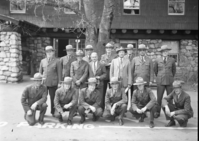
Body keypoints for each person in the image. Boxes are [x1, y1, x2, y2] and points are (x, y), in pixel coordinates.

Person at [154, 45, 176, 117]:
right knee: (159, 97)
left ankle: (170, 112)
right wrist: (160, 76)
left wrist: (170, 76)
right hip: (160, 81)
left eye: (166, 51)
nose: (165, 53)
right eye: (164, 51)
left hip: (169, 81)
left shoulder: (172, 60)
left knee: (170, 98)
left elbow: (173, 70)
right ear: (161, 52)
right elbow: (155, 70)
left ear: (168, 52)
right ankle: (157, 112)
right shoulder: (157, 60)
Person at [39, 46, 62, 116]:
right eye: (47, 52)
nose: (49, 53)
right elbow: (40, 72)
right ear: (45, 53)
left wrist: (59, 83)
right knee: (43, 98)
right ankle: (42, 112)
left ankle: (53, 112)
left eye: (50, 51)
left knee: (53, 98)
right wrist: (42, 76)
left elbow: (59, 73)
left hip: (53, 83)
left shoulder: (57, 61)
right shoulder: (42, 61)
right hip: (45, 83)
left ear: (53, 52)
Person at [110, 46, 132, 110]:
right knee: (115, 94)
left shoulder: (127, 61)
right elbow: (111, 72)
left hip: (124, 82)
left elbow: (129, 73)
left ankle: (123, 109)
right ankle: (114, 108)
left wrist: (129, 82)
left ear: (124, 53)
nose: (121, 53)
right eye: (120, 52)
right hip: (115, 82)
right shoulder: (114, 61)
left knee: (123, 95)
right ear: (118, 53)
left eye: (123, 52)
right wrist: (111, 81)